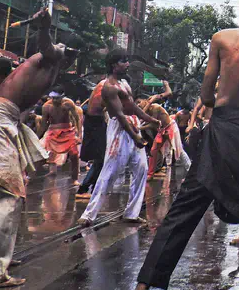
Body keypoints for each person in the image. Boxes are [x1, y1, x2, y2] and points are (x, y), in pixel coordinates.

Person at [136, 0, 239, 290]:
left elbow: (206, 95)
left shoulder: (221, 38)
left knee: (186, 207)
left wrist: (218, 98)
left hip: (223, 129)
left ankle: (146, 283)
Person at [0, 9, 77, 289]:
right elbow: (46, 46)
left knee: (4, 197)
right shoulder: (49, 57)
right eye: (66, 48)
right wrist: (45, 28)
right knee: (7, 197)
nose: (67, 53)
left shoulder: (51, 68)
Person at [77, 50, 160, 227]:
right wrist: (135, 136)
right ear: (114, 65)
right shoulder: (108, 87)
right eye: (124, 61)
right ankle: (89, 215)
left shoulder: (124, 83)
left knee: (142, 169)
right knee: (109, 172)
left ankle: (131, 213)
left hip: (133, 125)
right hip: (120, 130)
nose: (127, 64)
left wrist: (150, 120)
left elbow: (132, 108)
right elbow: (120, 115)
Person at [40, 90, 83, 185]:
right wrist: (38, 137)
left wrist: (79, 135)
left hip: (67, 130)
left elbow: (77, 119)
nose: (55, 101)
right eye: (53, 98)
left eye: (57, 98)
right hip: (52, 130)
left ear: (62, 97)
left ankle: (74, 178)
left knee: (74, 154)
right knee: (41, 153)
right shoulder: (46, 106)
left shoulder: (68, 103)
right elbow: (43, 124)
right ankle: (30, 174)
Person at [75, 80, 107, 199]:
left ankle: (92, 187)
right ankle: (85, 188)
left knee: (101, 160)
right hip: (95, 125)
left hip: (95, 124)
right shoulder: (106, 87)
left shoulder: (101, 87)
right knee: (101, 160)